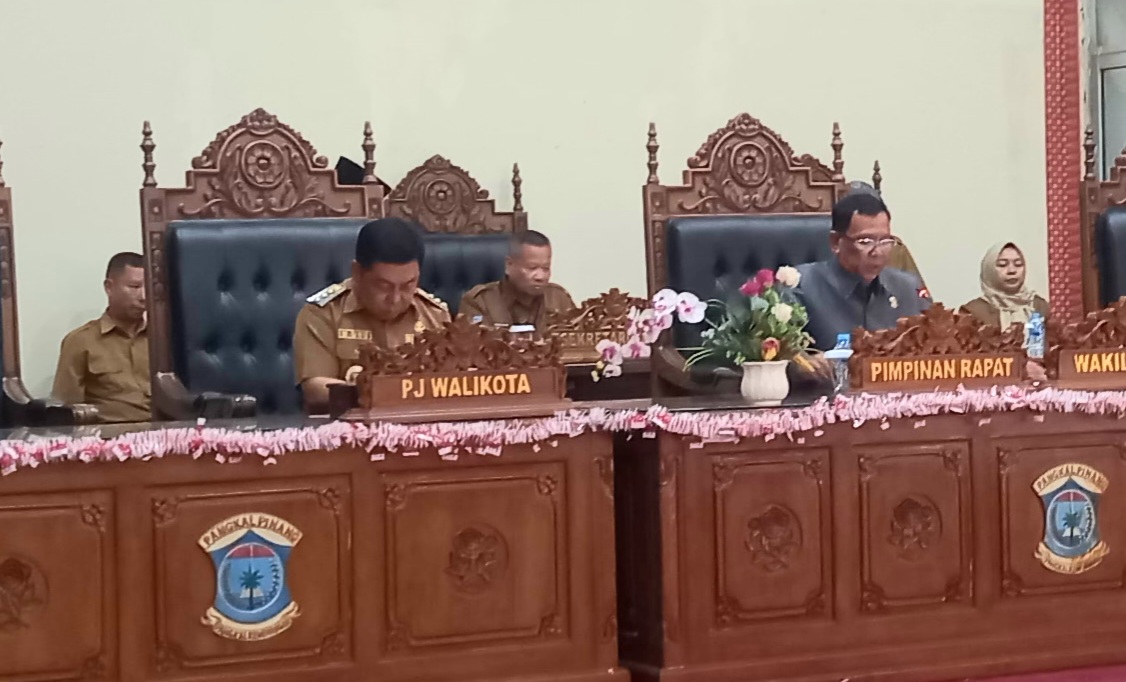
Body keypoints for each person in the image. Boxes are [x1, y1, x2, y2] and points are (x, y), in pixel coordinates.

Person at [293, 217, 450, 410]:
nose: (395, 298)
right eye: (384, 286)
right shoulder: (322, 314)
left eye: (407, 285)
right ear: (357, 273)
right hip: (348, 423)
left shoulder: (435, 315)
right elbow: (314, 388)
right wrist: (378, 391)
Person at [792, 192, 931, 351]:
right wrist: (807, 361)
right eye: (865, 241)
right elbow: (780, 355)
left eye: (885, 241)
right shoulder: (800, 286)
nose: (877, 252)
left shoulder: (910, 288)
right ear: (836, 242)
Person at [52, 252, 150, 422]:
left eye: (148, 288)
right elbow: (66, 409)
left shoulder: (162, 339)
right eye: (134, 287)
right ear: (109, 287)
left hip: (164, 431)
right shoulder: (81, 341)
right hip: (109, 432)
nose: (143, 297)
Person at [458, 230, 576, 328]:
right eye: (532, 268)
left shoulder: (559, 299)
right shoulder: (479, 302)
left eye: (546, 268)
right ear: (509, 265)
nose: (540, 277)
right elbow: (469, 346)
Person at [961, 242, 1048, 328]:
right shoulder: (973, 312)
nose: (1012, 270)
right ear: (989, 270)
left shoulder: (1039, 306)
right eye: (1002, 265)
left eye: (1018, 264)